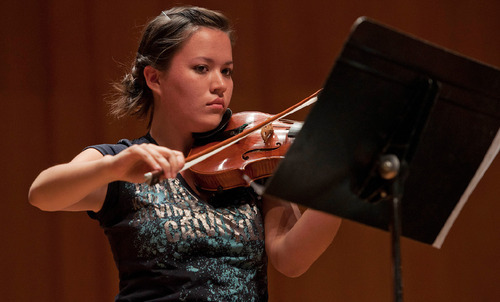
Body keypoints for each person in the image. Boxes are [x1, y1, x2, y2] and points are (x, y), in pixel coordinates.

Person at [28, 6, 341, 301]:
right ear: (155, 78)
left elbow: (291, 259)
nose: (220, 84)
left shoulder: (250, 157)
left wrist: (339, 185)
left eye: (227, 71)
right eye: (202, 68)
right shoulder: (125, 161)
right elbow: (42, 193)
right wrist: (111, 168)